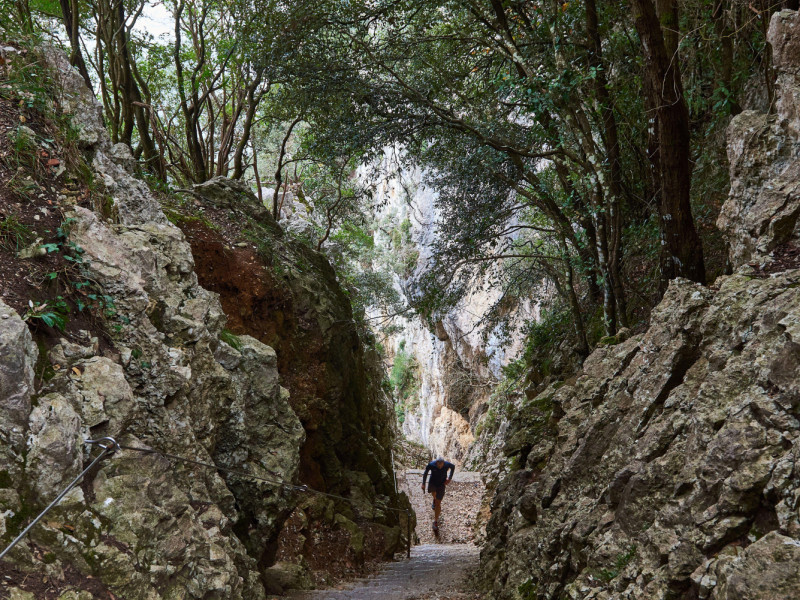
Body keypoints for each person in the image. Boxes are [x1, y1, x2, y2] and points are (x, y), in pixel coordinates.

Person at [421, 457, 455, 531]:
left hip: (441, 484)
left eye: (442, 465)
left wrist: (449, 478)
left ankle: (435, 521)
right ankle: (434, 499)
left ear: (443, 463)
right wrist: (423, 483)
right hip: (433, 483)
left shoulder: (447, 464)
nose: (440, 467)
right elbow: (425, 473)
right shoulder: (431, 465)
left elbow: (453, 467)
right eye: (439, 465)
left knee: (438, 503)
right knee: (434, 494)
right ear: (436, 463)